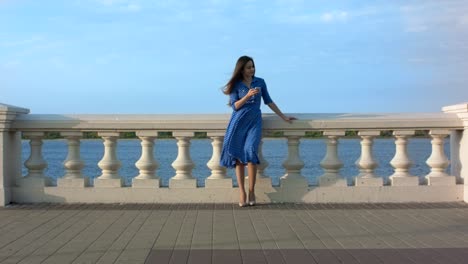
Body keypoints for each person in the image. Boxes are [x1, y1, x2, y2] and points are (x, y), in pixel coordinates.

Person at [220, 55, 296, 207]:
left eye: (253, 66)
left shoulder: (260, 82)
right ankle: (242, 192)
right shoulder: (236, 84)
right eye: (248, 67)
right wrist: (247, 95)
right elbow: (235, 106)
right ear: (241, 69)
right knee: (239, 158)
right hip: (238, 122)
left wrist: (283, 117)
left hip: (254, 121)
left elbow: (268, 101)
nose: (252, 69)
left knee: (250, 151)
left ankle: (252, 190)